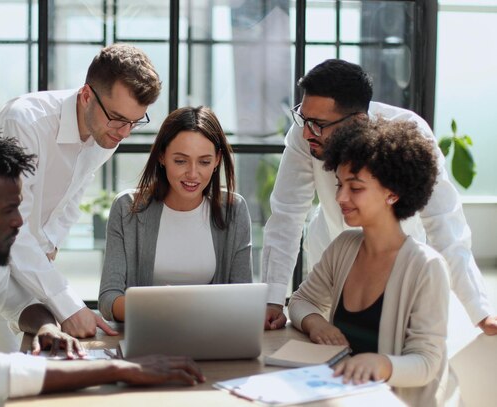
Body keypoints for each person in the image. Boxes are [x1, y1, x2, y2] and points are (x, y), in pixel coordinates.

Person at [0, 123, 204, 407]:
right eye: (9, 210)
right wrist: (120, 369)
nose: (19, 221)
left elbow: (15, 299)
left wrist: (46, 327)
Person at [262, 59, 497, 334]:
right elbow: (287, 214)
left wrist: (481, 311)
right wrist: (273, 300)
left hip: (399, 257)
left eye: (317, 124)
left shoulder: (408, 132)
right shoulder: (306, 134)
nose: (306, 132)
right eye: (303, 118)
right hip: (328, 251)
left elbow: (445, 223)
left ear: (358, 120)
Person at [0, 43, 162, 338]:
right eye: (118, 118)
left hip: (32, 266)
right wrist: (69, 305)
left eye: (134, 123)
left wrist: (50, 245)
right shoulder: (24, 123)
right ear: (86, 96)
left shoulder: (106, 133)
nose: (123, 133)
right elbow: (8, 228)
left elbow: (73, 196)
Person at [288, 118, 453, 407]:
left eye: (355, 188)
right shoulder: (344, 247)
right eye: (340, 184)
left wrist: (380, 364)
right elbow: (301, 301)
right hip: (345, 397)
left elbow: (426, 362)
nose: (340, 197)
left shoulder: (426, 267)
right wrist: (317, 324)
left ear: (392, 193)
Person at [98, 106, 253, 321]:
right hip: (147, 337)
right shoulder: (127, 208)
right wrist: (156, 308)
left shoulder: (234, 210)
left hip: (212, 337)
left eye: (204, 162)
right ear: (162, 156)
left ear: (217, 160)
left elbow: (243, 297)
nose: (192, 174)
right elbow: (108, 299)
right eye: (180, 161)